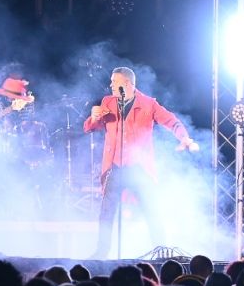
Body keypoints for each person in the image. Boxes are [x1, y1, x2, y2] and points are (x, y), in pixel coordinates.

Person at [83, 66, 198, 258]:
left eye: (114, 81)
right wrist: (94, 118)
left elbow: (171, 121)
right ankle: (101, 251)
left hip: (140, 168)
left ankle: (161, 251)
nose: (110, 85)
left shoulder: (148, 104)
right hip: (115, 167)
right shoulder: (108, 102)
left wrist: (184, 138)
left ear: (126, 84)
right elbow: (89, 128)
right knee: (107, 212)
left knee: (152, 210)